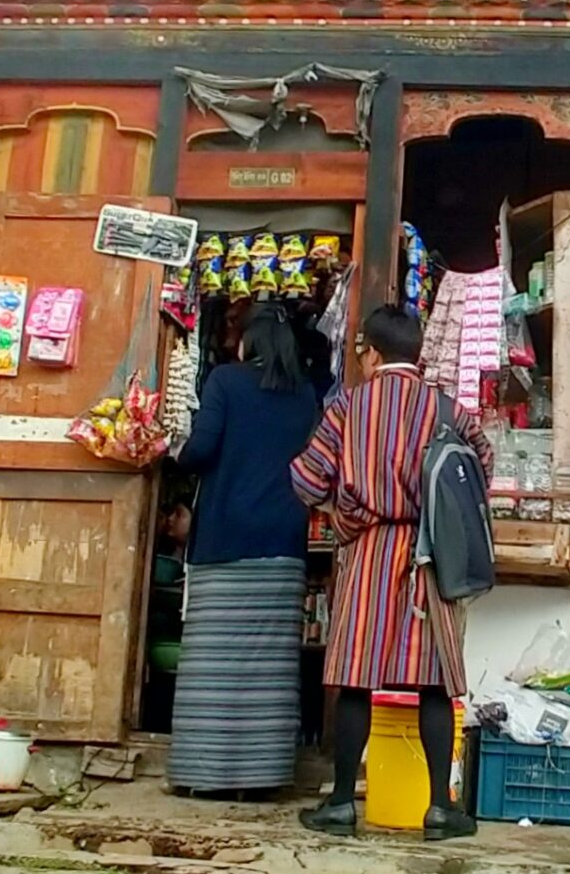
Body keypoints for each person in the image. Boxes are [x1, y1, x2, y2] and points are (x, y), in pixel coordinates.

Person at [291, 305, 493, 841]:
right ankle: (439, 808)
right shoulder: (447, 409)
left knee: (356, 679)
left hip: (371, 552)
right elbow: (481, 468)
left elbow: (308, 480)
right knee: (433, 683)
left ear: (372, 354)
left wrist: (343, 509)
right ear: (417, 354)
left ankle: (339, 804)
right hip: (431, 558)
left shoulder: (347, 408)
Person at [168, 304, 318, 795]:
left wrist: (174, 451)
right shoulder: (305, 397)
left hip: (225, 538)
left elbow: (203, 448)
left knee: (213, 665)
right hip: (282, 540)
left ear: (249, 342)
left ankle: (203, 774)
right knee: (267, 669)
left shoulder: (226, 383)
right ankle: (262, 777)